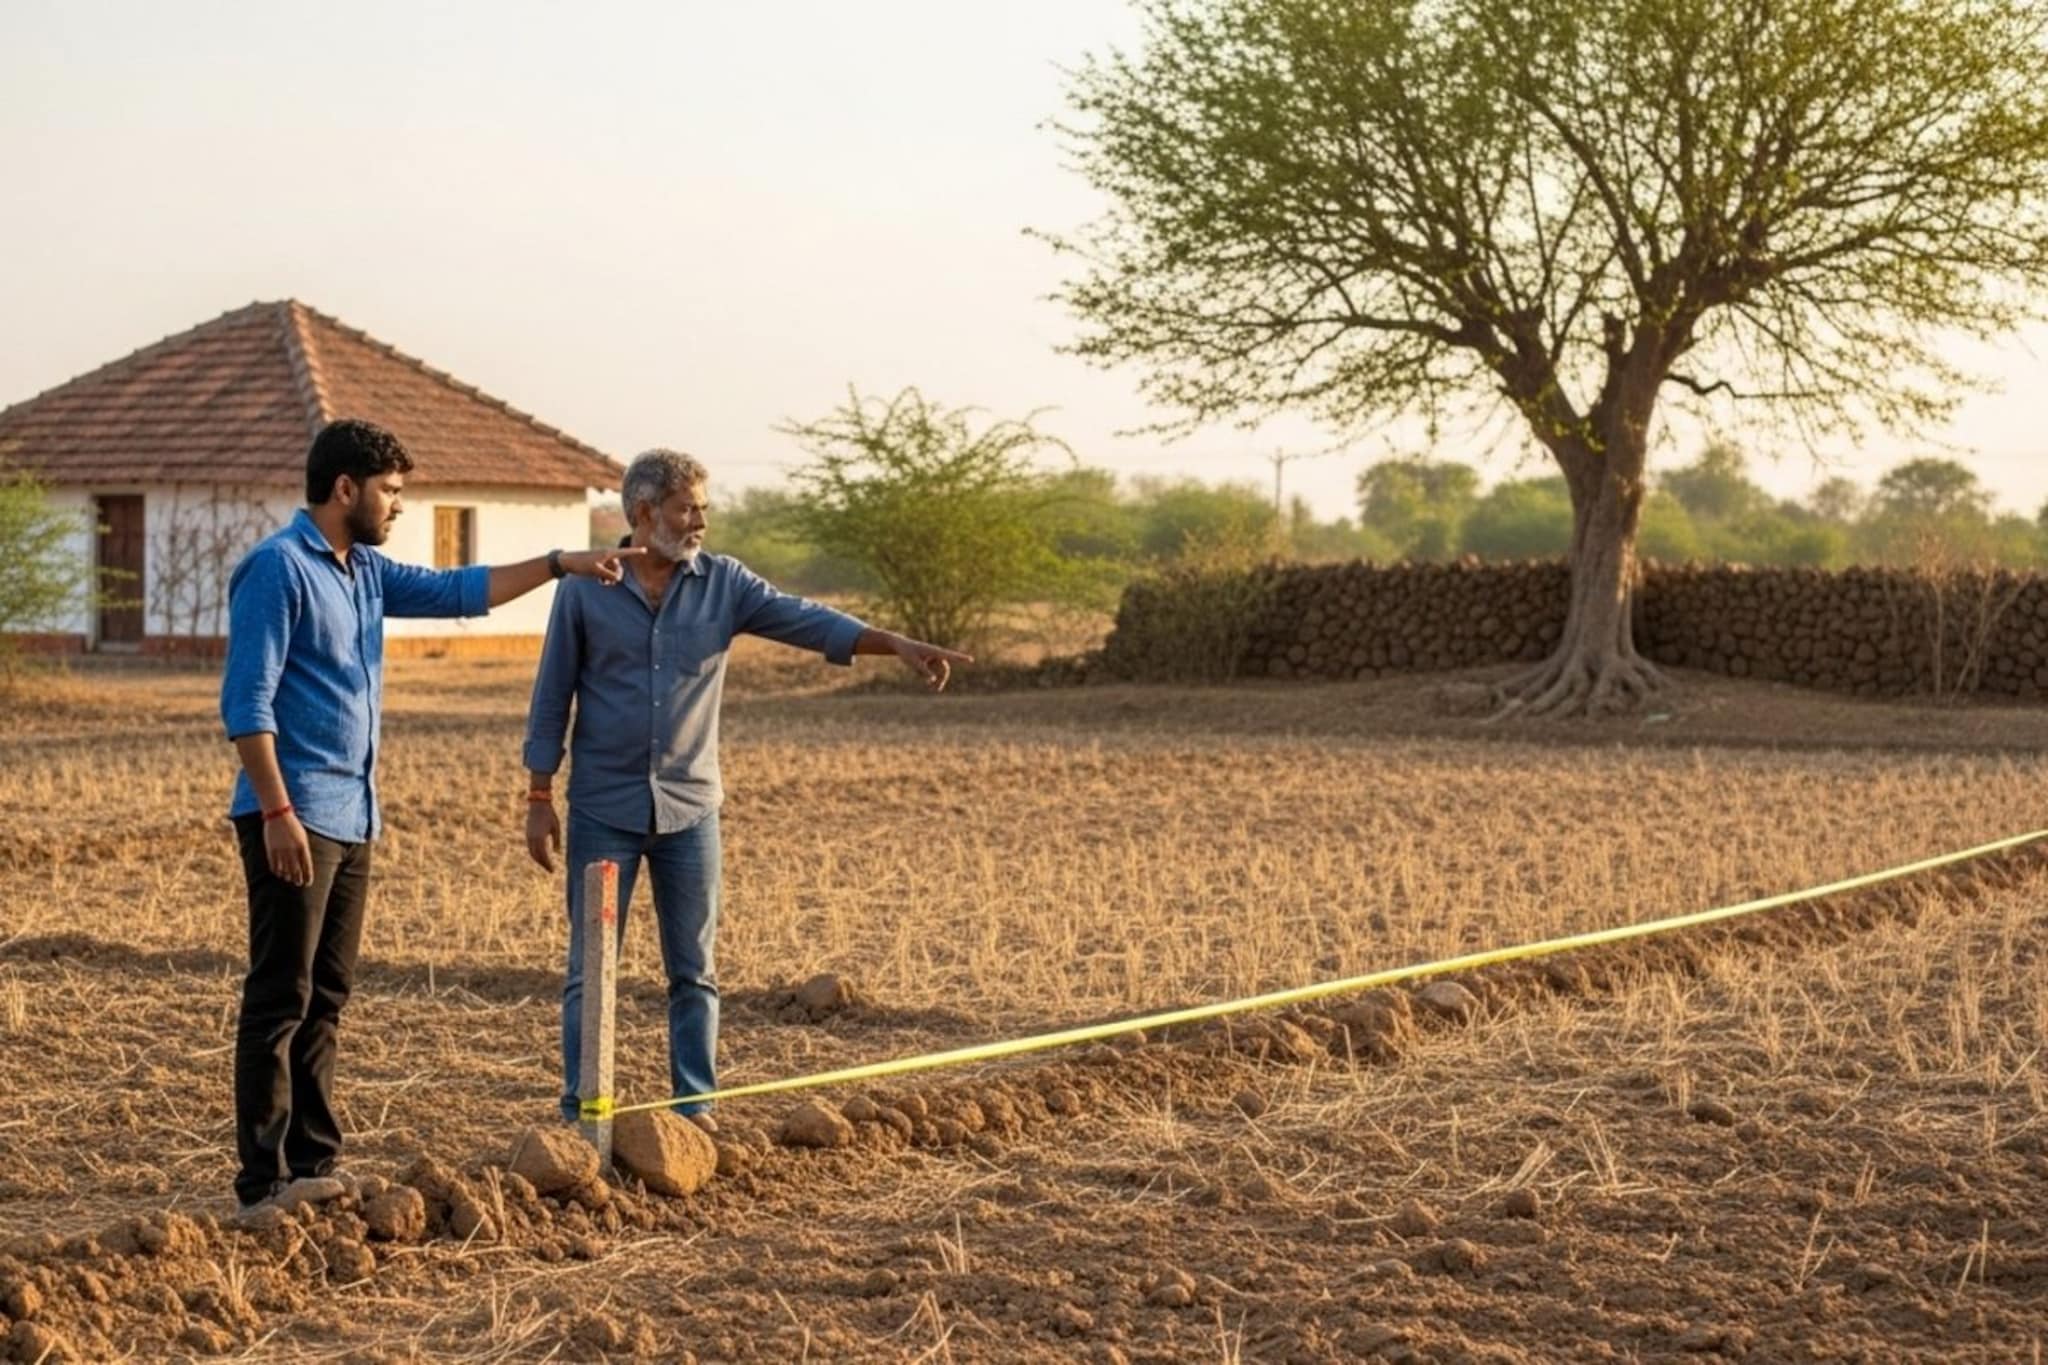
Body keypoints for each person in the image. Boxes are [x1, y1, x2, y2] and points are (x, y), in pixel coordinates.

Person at [220, 418, 643, 1214]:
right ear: (346, 489)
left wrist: (560, 564)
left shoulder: (366, 571)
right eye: (391, 492)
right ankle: (262, 1183)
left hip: (352, 812)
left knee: (328, 994)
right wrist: (275, 808)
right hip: (294, 810)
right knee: (281, 993)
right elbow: (246, 704)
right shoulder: (277, 570)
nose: (399, 507)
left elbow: (461, 592)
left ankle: (313, 1162)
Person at [522, 448, 969, 1125]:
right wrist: (536, 797)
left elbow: (807, 619)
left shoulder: (723, 584)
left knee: (694, 973)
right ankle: (584, 1115)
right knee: (592, 973)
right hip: (601, 811)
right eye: (686, 508)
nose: (699, 520)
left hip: (690, 810)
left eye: (702, 506)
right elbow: (551, 694)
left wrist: (894, 642)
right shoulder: (585, 586)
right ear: (644, 514)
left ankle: (695, 1113)